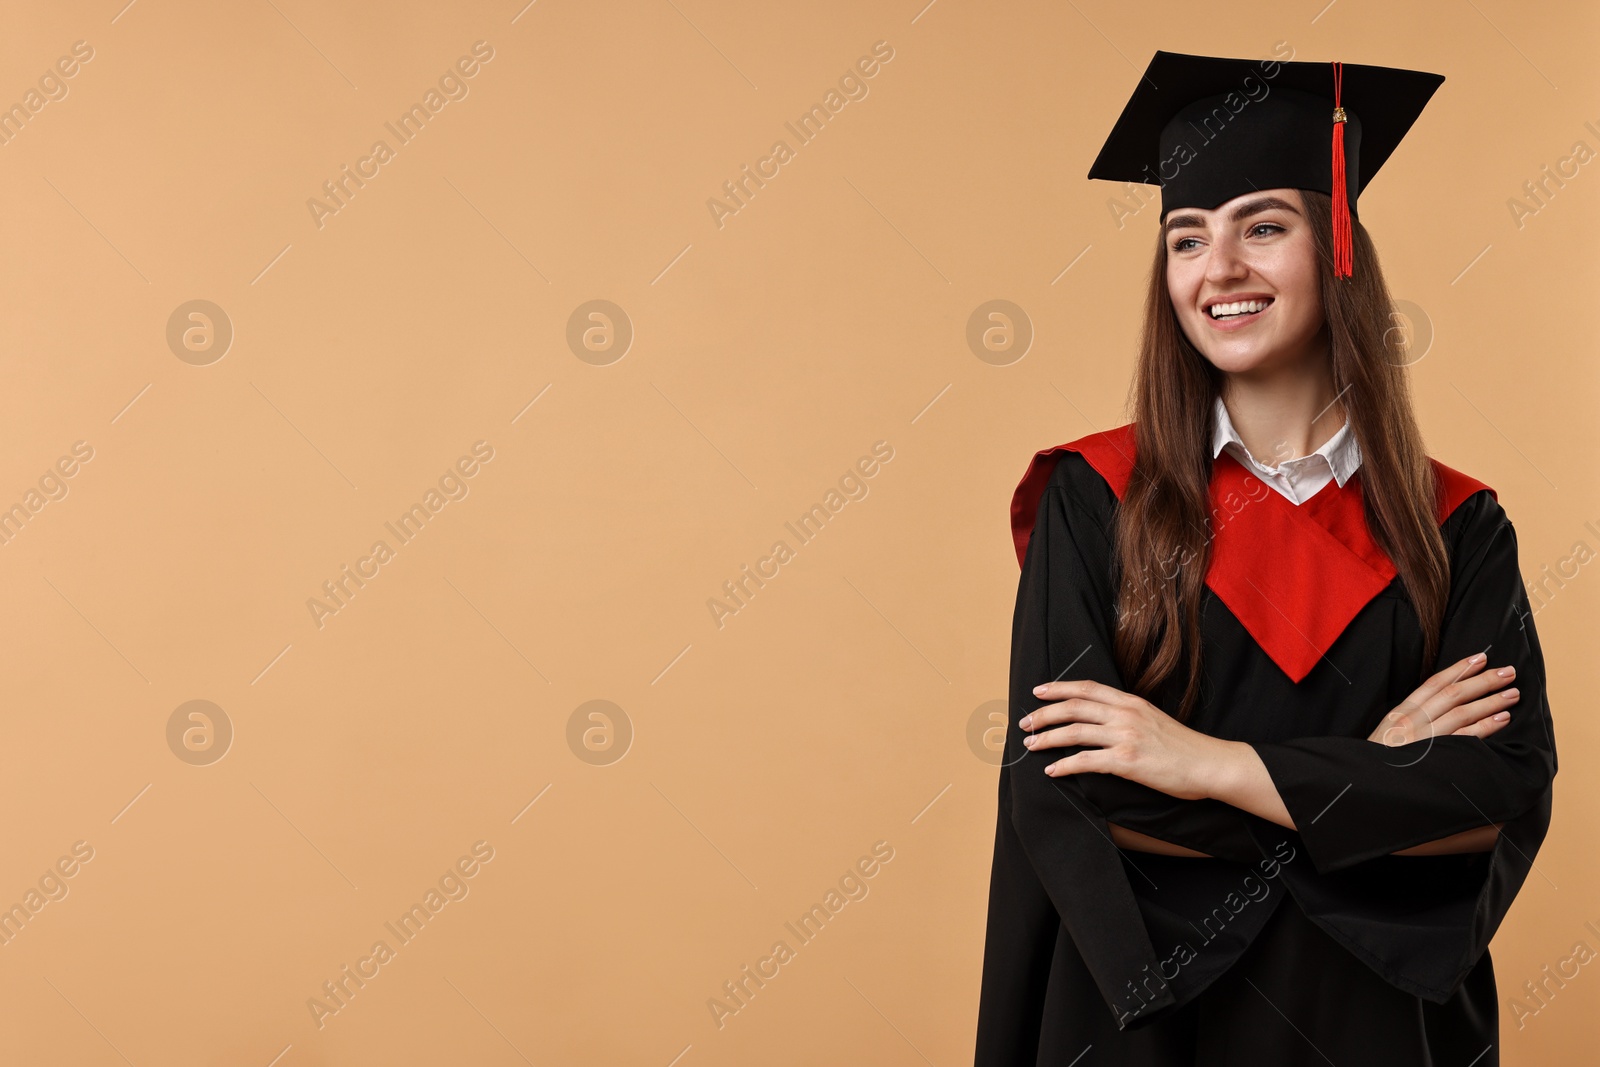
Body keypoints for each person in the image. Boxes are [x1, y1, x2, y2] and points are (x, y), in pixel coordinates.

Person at [973, 51, 1557, 1065]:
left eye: (1264, 226)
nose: (1219, 268)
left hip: (1371, 1016)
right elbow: (1066, 790)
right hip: (1148, 1019)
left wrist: (1208, 763)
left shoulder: (1454, 524)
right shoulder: (1091, 499)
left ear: (1339, 248)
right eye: (1186, 238)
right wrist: (1373, 779)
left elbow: (1496, 788)